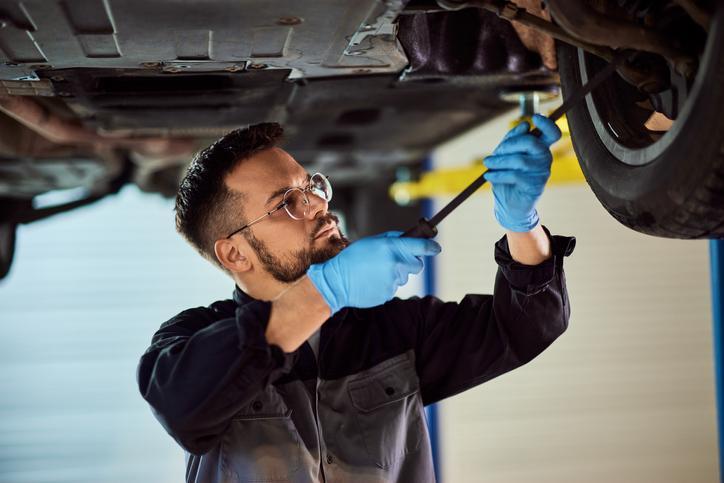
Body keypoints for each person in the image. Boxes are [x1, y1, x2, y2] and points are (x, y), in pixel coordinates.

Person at [136, 114, 576, 483]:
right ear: (235, 252)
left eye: (310, 186)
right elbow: (181, 405)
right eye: (287, 201)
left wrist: (521, 222)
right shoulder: (192, 338)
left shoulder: (389, 330)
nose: (317, 204)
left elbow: (526, 325)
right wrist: (326, 292)